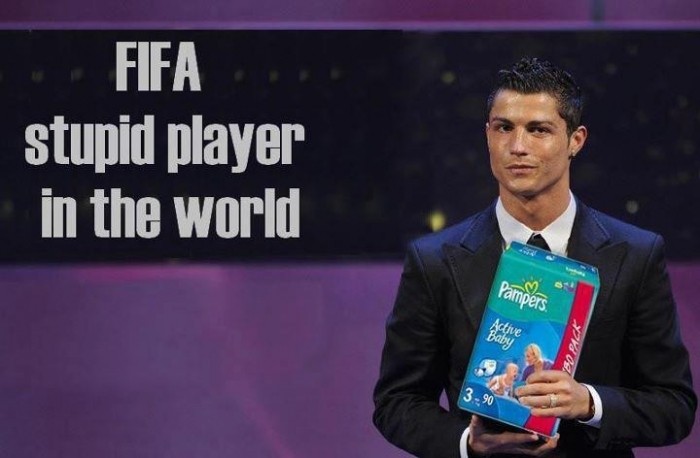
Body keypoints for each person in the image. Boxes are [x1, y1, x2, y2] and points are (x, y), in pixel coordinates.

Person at [372, 58, 696, 457]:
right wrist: (468, 443)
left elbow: (674, 406)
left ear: (576, 140)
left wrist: (589, 403)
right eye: (503, 128)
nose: (518, 147)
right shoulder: (433, 260)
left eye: (538, 130)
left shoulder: (636, 255)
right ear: (487, 135)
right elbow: (397, 401)